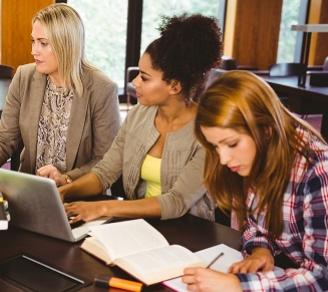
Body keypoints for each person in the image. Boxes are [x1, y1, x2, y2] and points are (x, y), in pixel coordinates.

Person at [60, 14, 222, 221]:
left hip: (188, 234)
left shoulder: (207, 132)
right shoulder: (138, 115)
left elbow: (176, 202)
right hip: (137, 227)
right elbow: (104, 172)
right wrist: (65, 191)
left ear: (175, 86)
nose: (135, 82)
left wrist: (103, 208)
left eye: (144, 78)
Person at [0, 3, 121, 185]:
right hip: (29, 190)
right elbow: (4, 139)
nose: (33, 51)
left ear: (66, 44)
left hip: (79, 196)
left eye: (43, 43)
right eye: (33, 41)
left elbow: (105, 161)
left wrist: (66, 178)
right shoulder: (24, 76)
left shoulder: (102, 89)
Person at [182, 70, 328, 291]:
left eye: (231, 144)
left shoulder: (318, 171)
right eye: (215, 146)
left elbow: (323, 278)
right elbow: (253, 222)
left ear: (266, 129)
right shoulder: (255, 155)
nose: (222, 159)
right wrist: (261, 248)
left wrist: (239, 286)